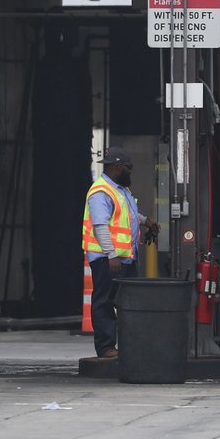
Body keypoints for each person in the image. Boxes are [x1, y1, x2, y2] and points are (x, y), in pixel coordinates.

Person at [81, 151, 144, 359]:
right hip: (108, 260)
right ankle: (106, 346)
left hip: (125, 258)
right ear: (118, 168)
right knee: (105, 302)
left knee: (130, 301)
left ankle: (129, 345)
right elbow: (100, 226)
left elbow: (127, 214)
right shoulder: (101, 192)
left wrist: (146, 221)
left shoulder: (120, 189)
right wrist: (111, 255)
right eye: (129, 168)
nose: (131, 172)